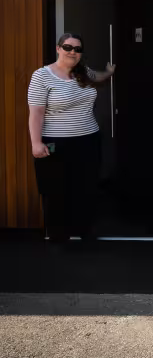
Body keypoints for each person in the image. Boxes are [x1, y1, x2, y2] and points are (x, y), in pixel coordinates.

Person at [27, 33, 115, 246]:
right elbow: (36, 113)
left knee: (86, 188)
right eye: (67, 47)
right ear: (58, 49)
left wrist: (109, 72)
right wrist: (36, 143)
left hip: (88, 140)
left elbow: (98, 77)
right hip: (56, 142)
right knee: (56, 189)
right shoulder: (42, 76)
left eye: (77, 49)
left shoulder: (83, 72)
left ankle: (84, 230)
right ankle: (59, 236)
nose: (72, 52)